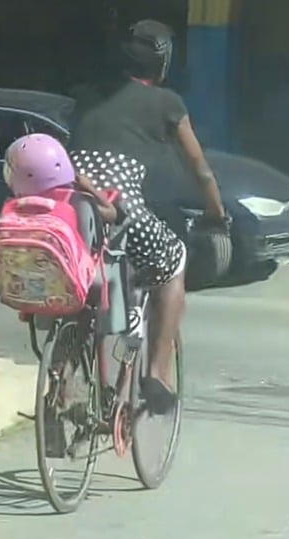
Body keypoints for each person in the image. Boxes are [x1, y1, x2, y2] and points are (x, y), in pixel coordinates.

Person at [68, 19, 227, 415]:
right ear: (163, 63)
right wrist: (216, 213)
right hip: (118, 204)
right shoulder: (169, 103)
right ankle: (157, 374)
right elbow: (200, 168)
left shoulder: (88, 96)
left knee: (80, 282)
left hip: (71, 200)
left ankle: (62, 386)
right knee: (173, 263)